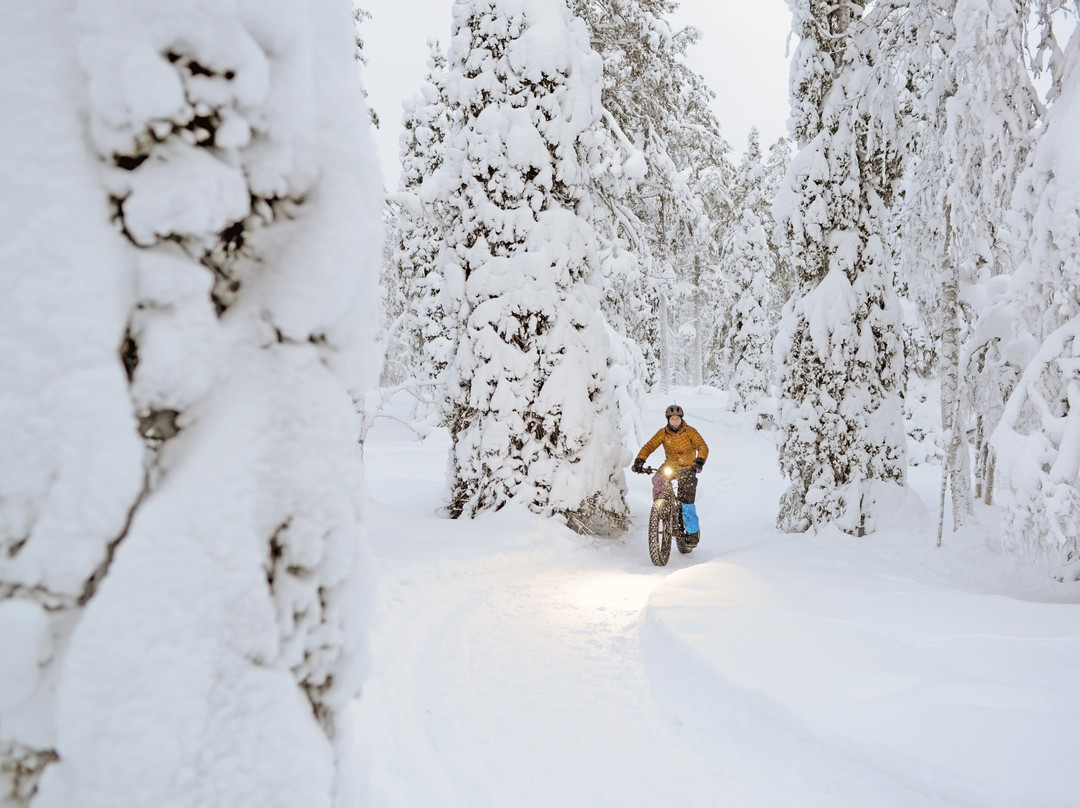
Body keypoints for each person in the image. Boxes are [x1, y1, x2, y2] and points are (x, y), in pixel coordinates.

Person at [631, 404, 709, 544]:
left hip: (688, 468)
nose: (675, 421)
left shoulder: (690, 431)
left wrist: (699, 461)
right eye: (672, 419)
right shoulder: (663, 433)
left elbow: (702, 446)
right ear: (668, 419)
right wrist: (640, 460)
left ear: (681, 419)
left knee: (686, 503)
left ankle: (691, 534)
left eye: (677, 419)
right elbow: (650, 446)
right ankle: (662, 506)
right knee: (657, 478)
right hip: (670, 466)